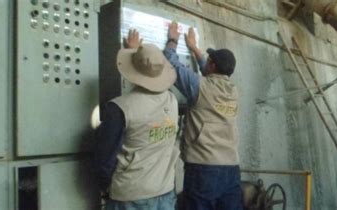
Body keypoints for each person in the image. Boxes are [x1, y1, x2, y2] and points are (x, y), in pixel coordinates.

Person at [95, 29, 179, 210]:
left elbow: (105, 159)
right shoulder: (172, 101)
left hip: (130, 196)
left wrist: (133, 55)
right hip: (164, 192)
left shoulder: (119, 108)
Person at [163, 22, 243, 210]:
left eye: (209, 60)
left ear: (212, 65)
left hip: (203, 168)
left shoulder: (200, 87)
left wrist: (172, 39)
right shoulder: (233, 91)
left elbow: (170, 63)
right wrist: (194, 47)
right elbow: (211, 72)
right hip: (231, 169)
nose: (205, 61)